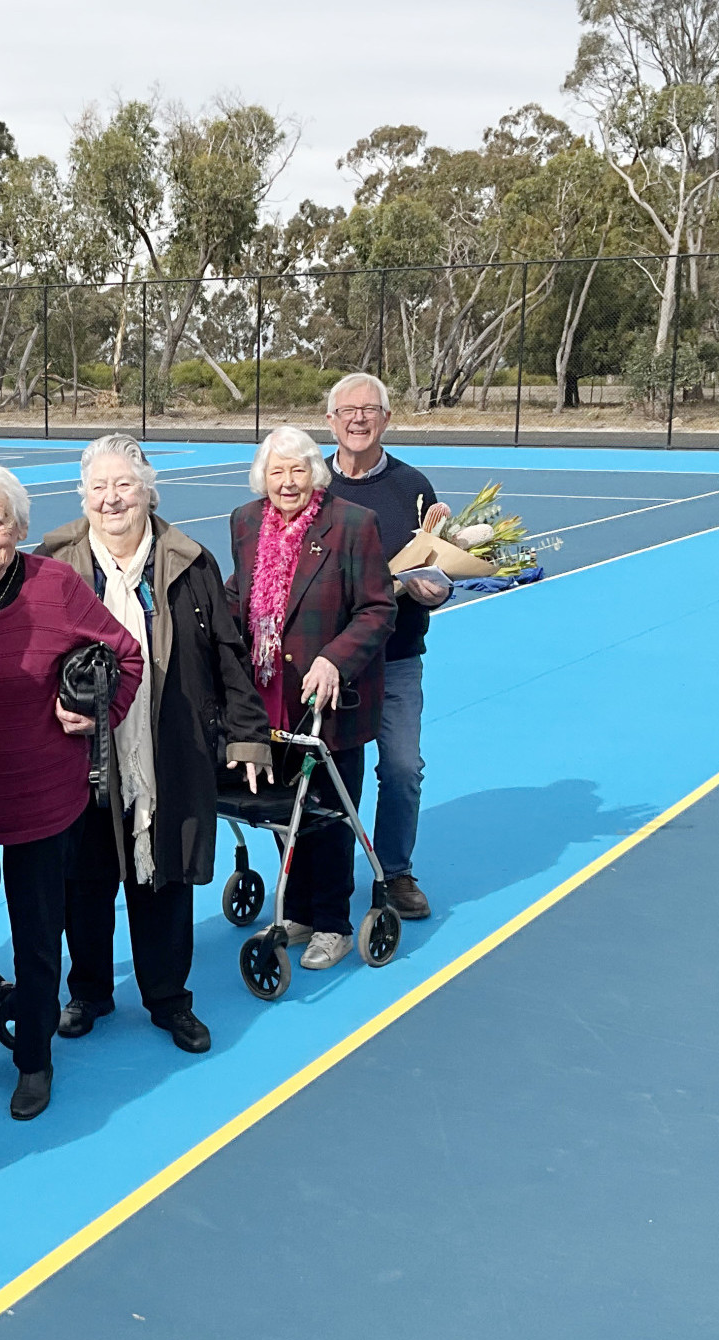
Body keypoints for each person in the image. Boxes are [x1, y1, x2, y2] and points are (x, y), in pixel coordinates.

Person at [40, 435, 272, 1054]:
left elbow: (229, 654)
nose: (111, 499)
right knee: (85, 880)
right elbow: (29, 660)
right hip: (81, 758)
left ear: (147, 490)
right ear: (83, 495)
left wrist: (249, 737)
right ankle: (88, 990)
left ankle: (169, 999)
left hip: (168, 746)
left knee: (164, 877)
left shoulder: (190, 563)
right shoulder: (56, 561)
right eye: (98, 487)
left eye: (123, 485)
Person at [0, 461, 142, 1120]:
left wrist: (97, 716)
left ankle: (35, 1057)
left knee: (35, 936)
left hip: (43, 799)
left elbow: (128, 657)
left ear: (20, 526)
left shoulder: (56, 587)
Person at [226, 426, 396, 970]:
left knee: (327, 810)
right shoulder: (246, 521)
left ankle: (333, 923)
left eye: (298, 469)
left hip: (326, 699)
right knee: (284, 810)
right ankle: (297, 909)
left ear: (315, 473)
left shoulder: (352, 524)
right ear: (262, 478)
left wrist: (335, 659)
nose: (287, 482)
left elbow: (377, 609)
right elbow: (240, 594)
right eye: (276, 472)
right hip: (267, 692)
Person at [323, 373, 449, 922]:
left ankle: (394, 872)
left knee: (401, 769)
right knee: (326, 775)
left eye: (369, 410)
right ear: (330, 421)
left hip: (395, 659)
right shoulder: (310, 484)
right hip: (330, 662)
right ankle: (321, 879)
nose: (358, 419)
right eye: (347, 410)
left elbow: (440, 568)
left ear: (386, 419)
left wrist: (435, 589)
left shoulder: (414, 486)